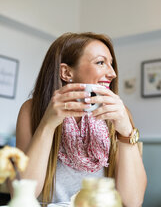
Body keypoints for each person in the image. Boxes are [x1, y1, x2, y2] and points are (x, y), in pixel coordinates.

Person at [16, 32, 147, 206]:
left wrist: (126, 131)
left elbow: (133, 201)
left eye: (111, 64)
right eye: (101, 62)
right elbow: (24, 194)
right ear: (66, 72)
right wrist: (47, 126)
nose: (113, 73)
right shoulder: (32, 110)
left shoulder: (119, 114)